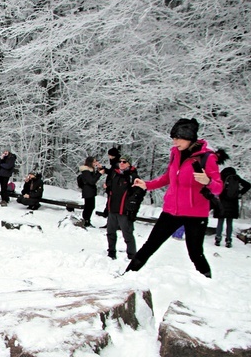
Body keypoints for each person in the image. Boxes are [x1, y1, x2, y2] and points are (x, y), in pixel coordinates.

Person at [126, 118, 222, 278]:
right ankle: (127, 276)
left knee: (195, 253)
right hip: (171, 210)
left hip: (195, 214)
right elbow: (168, 177)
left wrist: (208, 181)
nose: (174, 141)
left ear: (189, 137)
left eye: (178, 138)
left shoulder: (207, 158)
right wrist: (147, 184)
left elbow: (219, 187)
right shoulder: (175, 153)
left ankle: (208, 283)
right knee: (150, 245)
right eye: (173, 138)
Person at [104, 155, 142, 259]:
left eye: (124, 162)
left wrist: (133, 209)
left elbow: (139, 194)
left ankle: (132, 255)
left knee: (127, 234)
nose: (121, 163)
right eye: (120, 161)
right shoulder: (114, 174)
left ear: (129, 164)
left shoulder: (133, 176)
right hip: (113, 208)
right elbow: (110, 189)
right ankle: (111, 252)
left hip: (125, 211)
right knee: (110, 232)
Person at [214, 167, 250, 248]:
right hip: (233, 202)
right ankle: (229, 240)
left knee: (220, 221)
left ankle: (218, 239)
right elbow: (248, 185)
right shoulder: (236, 178)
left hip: (222, 202)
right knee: (229, 223)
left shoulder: (221, 177)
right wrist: (240, 193)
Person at [78, 156, 104, 227]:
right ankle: (86, 221)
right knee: (89, 206)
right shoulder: (86, 171)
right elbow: (92, 181)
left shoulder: (91, 170)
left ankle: (87, 220)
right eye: (94, 162)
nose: (95, 163)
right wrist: (99, 174)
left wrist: (99, 170)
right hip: (88, 191)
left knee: (90, 206)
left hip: (90, 191)